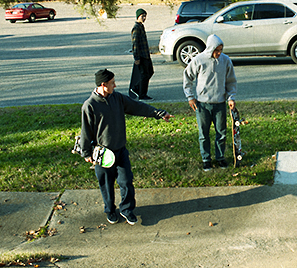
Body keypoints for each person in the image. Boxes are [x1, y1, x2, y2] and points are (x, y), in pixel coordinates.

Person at [81, 69, 173, 225]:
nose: (115, 85)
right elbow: (86, 131)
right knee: (107, 184)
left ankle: (127, 209)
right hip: (103, 154)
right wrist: (86, 153)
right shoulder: (90, 105)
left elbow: (138, 107)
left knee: (126, 181)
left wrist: (159, 113)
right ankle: (110, 210)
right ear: (103, 85)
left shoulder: (117, 98)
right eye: (112, 83)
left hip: (120, 151)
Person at [183, 34, 237, 171]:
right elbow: (188, 77)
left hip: (219, 103)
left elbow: (231, 81)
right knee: (204, 133)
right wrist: (190, 97)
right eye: (216, 50)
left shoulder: (225, 61)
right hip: (202, 104)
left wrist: (231, 97)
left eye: (220, 50)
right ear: (210, 48)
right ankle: (206, 159)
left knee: (221, 132)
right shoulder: (198, 60)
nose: (219, 53)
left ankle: (220, 157)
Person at [129, 8, 154, 101]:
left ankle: (137, 87)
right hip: (141, 56)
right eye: (142, 16)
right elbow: (135, 44)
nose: (144, 18)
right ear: (138, 16)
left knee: (150, 72)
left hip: (146, 55)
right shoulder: (136, 28)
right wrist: (136, 57)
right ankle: (142, 93)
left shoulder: (141, 26)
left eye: (145, 16)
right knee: (144, 75)